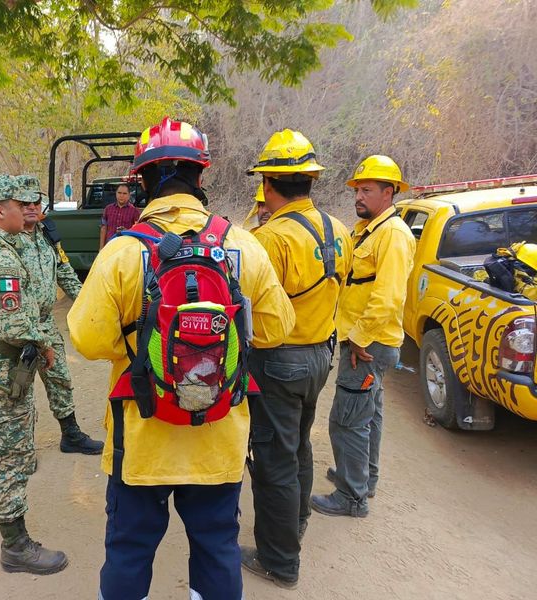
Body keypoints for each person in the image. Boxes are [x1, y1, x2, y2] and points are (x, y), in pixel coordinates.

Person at [68, 117, 295, 600]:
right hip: (218, 436)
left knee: (129, 550)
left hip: (143, 436)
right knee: (216, 548)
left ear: (143, 181)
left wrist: (142, 346)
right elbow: (278, 328)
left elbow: (87, 339)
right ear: (200, 176)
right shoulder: (242, 245)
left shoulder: (125, 251)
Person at [239, 129, 353, 589]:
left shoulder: (270, 239)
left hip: (279, 361)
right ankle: (297, 519)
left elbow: (252, 309)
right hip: (321, 355)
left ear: (267, 184)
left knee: (273, 459)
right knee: (299, 444)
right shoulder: (340, 229)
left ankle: (279, 559)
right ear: (310, 180)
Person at [0, 174, 68, 575]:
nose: (27, 210)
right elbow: (14, 322)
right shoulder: (1, 255)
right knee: (10, 453)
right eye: (19, 205)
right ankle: (16, 545)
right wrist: (45, 342)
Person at [311, 155, 416, 518]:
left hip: (368, 344)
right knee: (369, 413)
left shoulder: (393, 235)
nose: (359, 196)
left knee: (348, 419)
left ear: (389, 193)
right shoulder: (369, 229)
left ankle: (351, 497)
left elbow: (389, 297)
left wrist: (359, 338)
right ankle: (363, 478)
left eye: (367, 190)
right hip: (365, 339)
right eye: (357, 189)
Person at [17, 175, 103, 454]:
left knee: (60, 379)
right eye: (24, 202)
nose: (31, 207)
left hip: (45, 323)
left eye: (35, 202)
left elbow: (64, 270)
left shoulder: (47, 234)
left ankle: (71, 434)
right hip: (17, 327)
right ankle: (21, 446)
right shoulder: (7, 240)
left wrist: (85, 301)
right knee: (19, 386)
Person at [99, 183, 140, 248]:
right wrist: (101, 248)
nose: (121, 195)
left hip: (126, 247)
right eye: (119, 193)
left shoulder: (135, 211)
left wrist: (126, 231)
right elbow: (103, 229)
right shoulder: (108, 209)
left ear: (129, 195)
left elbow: (138, 231)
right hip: (109, 246)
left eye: (124, 193)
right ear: (116, 194)